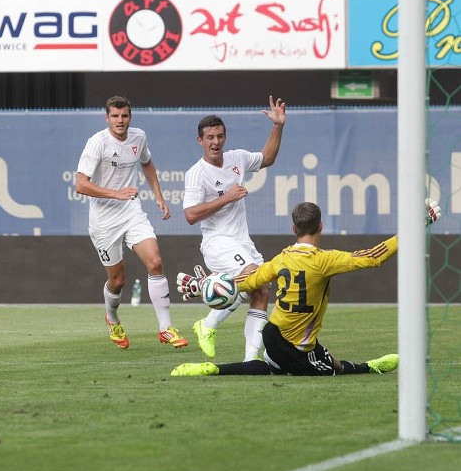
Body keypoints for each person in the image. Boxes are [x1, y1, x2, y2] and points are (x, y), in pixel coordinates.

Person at [171, 199, 442, 377]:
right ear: (320, 226)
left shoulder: (280, 259)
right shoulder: (324, 260)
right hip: (296, 347)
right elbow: (374, 256)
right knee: (330, 368)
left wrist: (203, 286)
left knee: (273, 366)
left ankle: (215, 369)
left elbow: (248, 281)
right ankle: (369, 367)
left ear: (293, 228)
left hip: (272, 335)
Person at [76, 95, 186, 350]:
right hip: (104, 221)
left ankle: (165, 328)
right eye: (115, 116)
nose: (120, 120)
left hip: (131, 212)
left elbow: (147, 163)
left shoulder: (139, 137)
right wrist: (116, 193)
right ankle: (112, 317)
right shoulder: (97, 143)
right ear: (107, 118)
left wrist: (158, 195)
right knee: (118, 281)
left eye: (124, 115)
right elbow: (80, 184)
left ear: (130, 116)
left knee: (155, 262)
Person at [182, 96, 286, 361]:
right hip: (217, 242)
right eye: (209, 138)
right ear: (200, 141)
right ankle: (208, 307)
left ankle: (249, 358)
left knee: (261, 290)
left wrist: (278, 126)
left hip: (241, 242)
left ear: (225, 137)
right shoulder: (197, 173)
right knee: (252, 277)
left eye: (219, 136)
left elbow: (268, 158)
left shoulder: (237, 158)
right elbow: (191, 215)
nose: (215, 142)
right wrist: (227, 197)